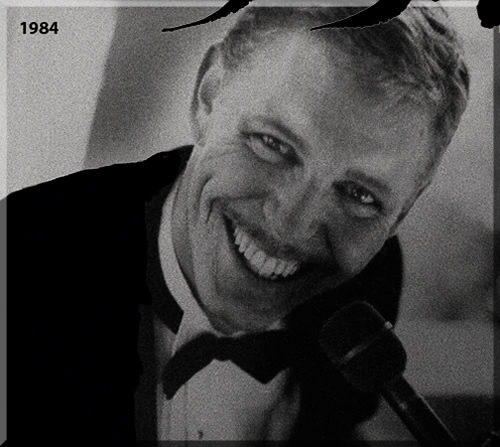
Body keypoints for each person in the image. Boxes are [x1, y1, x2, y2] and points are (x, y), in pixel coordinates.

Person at [4, 5, 469, 442]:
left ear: (401, 213)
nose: (292, 226)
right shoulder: (21, 254)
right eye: (273, 143)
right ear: (208, 97)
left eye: (360, 195)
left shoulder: (364, 303)